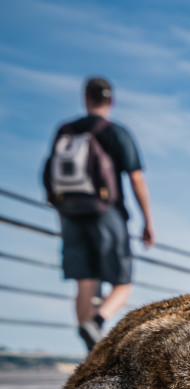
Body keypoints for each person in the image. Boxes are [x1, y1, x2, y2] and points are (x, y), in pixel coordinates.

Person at [49, 76, 155, 351]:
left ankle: (90, 355)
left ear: (85, 98)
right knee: (123, 284)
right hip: (108, 216)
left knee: (85, 283)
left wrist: (63, 218)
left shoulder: (66, 131)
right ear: (111, 101)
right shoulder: (115, 132)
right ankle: (96, 322)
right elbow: (136, 180)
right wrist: (147, 221)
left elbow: (53, 180)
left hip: (72, 216)